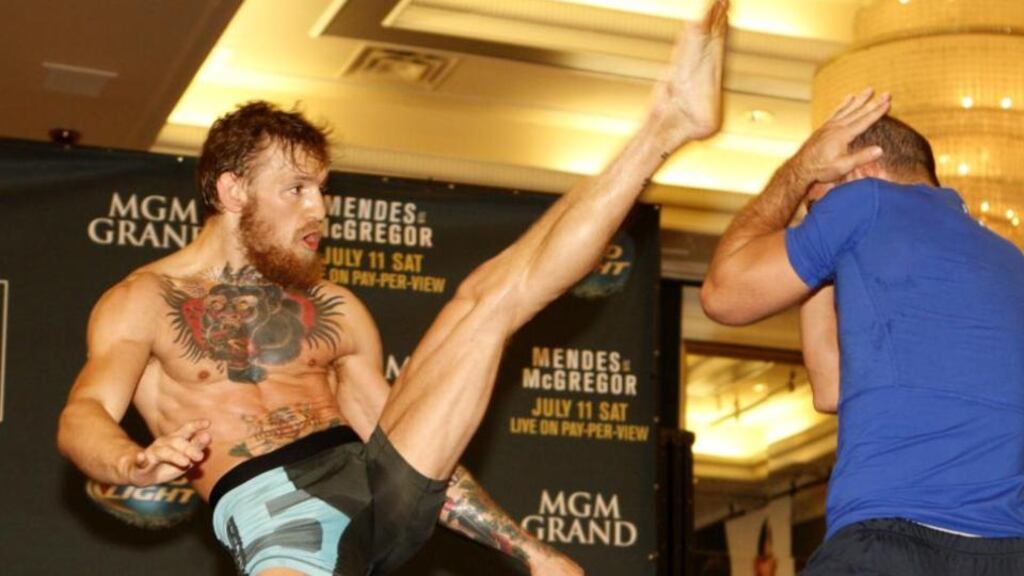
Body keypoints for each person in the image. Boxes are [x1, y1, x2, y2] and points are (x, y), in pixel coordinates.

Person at [57, 1, 730, 574]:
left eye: (322, 191)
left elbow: (403, 444)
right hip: (279, 520)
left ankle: (664, 126)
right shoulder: (144, 299)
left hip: (378, 489)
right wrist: (132, 461)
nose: (318, 210)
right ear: (232, 192)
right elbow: (83, 413)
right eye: (295, 190)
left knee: (486, 301)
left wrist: (530, 552)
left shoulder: (333, 309)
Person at [702, 90, 1024, 575]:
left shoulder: (866, 204)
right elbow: (830, 389)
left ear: (859, 167)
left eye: (816, 201)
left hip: (892, 540)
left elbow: (724, 294)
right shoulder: (1010, 259)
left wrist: (798, 171)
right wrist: (822, 261)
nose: (814, 216)